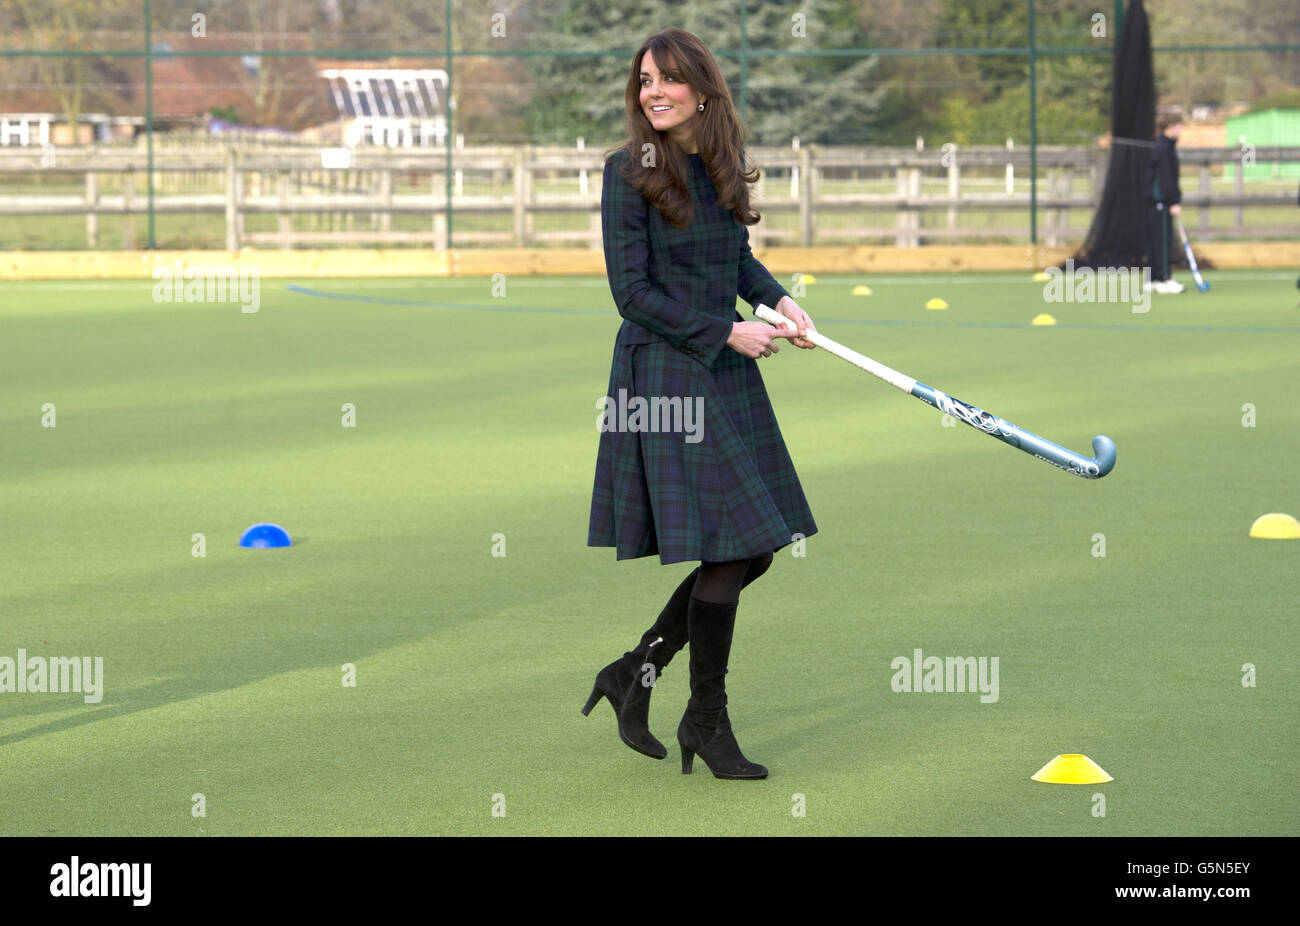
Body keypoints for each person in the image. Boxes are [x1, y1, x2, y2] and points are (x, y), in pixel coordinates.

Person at [584, 28, 819, 780]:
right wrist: (727, 330)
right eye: (645, 80)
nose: (653, 91)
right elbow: (633, 295)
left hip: (723, 364)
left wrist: (781, 303)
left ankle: (637, 672)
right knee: (735, 546)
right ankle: (705, 722)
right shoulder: (628, 172)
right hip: (666, 371)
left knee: (754, 547)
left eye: (668, 79)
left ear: (703, 90)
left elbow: (736, 258)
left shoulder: (717, 164)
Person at [1146, 116, 1185, 294]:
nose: (1180, 131)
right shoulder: (1163, 149)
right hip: (1160, 202)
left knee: (1155, 239)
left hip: (1156, 203)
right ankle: (1163, 278)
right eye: (1178, 127)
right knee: (1162, 241)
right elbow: (1166, 179)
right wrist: (1173, 201)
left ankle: (1152, 279)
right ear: (1169, 127)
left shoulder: (1164, 147)